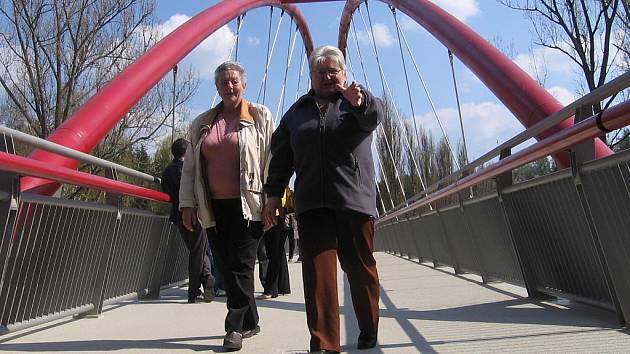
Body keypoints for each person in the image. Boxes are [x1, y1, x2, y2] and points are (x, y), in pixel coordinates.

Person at [262, 45, 383, 354]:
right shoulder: (296, 112)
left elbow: (374, 116)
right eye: (322, 72)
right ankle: (325, 345)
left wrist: (360, 102)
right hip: (312, 204)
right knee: (318, 276)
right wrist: (273, 195)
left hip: (353, 202)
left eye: (335, 71)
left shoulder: (355, 101)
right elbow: (281, 158)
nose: (329, 76)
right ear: (312, 76)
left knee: (360, 269)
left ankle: (368, 326)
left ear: (344, 74)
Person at [179, 61, 274, 352]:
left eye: (234, 81)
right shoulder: (203, 122)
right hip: (213, 207)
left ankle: (233, 328)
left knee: (241, 266)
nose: (229, 87)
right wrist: (187, 204)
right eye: (223, 82)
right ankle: (251, 321)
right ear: (217, 88)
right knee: (226, 264)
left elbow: (272, 158)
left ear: (244, 85)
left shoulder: (259, 116)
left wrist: (273, 200)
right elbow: (190, 169)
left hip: (250, 204)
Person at [161, 138, 214, 304]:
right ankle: (196, 289)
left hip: (177, 216)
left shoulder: (168, 171)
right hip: (195, 213)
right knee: (199, 250)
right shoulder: (190, 169)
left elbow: (166, 192)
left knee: (197, 249)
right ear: (187, 152)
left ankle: (206, 278)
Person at [257, 188, 292, 300]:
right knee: (279, 250)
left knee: (272, 252)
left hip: (272, 210)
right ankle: (283, 286)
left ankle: (270, 290)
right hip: (279, 210)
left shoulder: (272, 174)